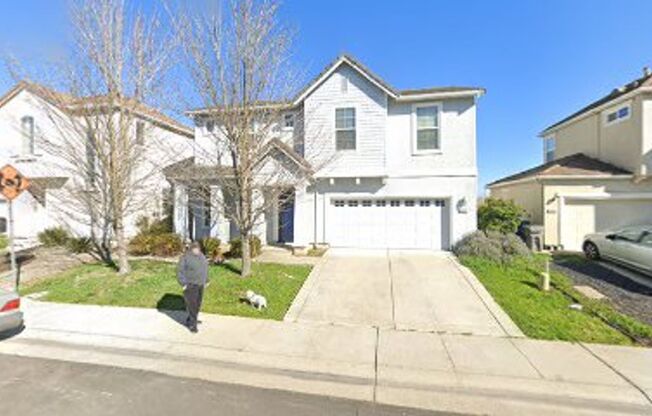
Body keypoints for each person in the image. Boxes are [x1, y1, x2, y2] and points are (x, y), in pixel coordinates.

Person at [177, 241, 208, 333]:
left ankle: (191, 319)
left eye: (198, 248)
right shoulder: (185, 257)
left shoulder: (201, 256)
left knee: (197, 304)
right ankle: (192, 325)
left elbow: (204, 268)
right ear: (191, 249)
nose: (197, 250)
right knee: (192, 306)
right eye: (195, 248)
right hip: (190, 285)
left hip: (200, 284)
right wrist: (184, 284)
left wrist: (206, 280)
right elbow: (180, 271)